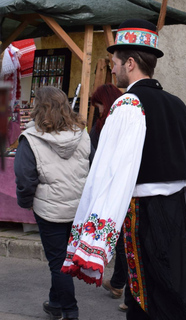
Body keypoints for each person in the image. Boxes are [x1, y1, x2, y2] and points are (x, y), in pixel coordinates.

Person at [61, 19, 186, 320]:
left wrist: (95, 233)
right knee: (171, 286)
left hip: (143, 213)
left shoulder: (128, 106)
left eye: (115, 63)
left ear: (131, 63)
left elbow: (111, 173)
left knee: (146, 295)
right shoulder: (180, 106)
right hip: (175, 210)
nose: (112, 69)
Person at [14, 86, 92, 320]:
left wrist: (26, 202)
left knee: (58, 261)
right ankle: (56, 302)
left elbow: (25, 177)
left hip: (50, 210)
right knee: (64, 257)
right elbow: (94, 166)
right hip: (79, 207)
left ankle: (70, 310)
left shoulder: (30, 138)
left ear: (39, 108)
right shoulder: (82, 133)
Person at [89, 83, 129, 312]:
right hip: (122, 187)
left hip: (114, 188)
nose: (99, 110)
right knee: (123, 240)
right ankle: (118, 284)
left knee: (124, 242)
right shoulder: (114, 124)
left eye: (100, 106)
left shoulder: (105, 126)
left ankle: (126, 289)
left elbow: (95, 160)